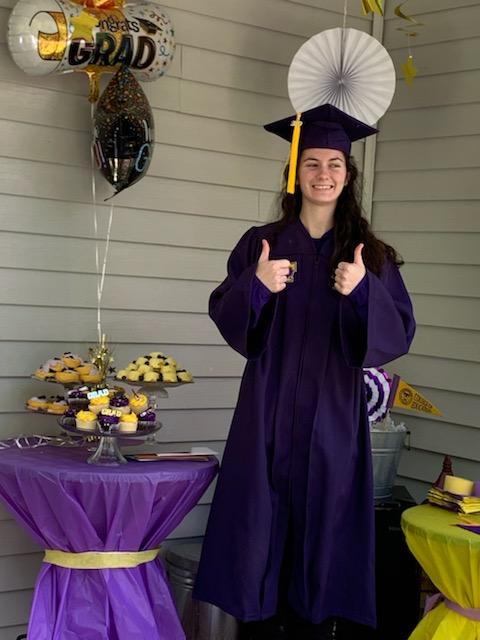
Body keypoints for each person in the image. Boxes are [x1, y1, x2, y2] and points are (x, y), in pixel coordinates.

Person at [193, 104, 416, 640]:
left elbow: (398, 334)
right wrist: (256, 284)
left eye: (334, 163)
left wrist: (362, 291)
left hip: (332, 423)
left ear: (348, 173)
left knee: (323, 545)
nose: (323, 174)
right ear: (294, 173)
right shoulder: (261, 244)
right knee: (259, 542)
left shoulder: (371, 255)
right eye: (311, 163)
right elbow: (229, 316)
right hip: (266, 414)